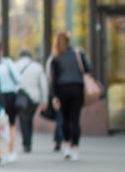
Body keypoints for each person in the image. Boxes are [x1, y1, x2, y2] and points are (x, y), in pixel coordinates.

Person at [48, 31, 90, 162]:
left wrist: (54, 97)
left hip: (62, 90)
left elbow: (53, 80)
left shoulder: (55, 58)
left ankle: (66, 146)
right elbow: (88, 68)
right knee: (75, 119)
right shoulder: (78, 54)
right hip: (77, 88)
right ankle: (75, 148)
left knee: (65, 119)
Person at [0, 43, 22, 164]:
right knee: (11, 124)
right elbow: (18, 79)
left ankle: (0, 153)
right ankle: (10, 152)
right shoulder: (7, 63)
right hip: (9, 96)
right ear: (1, 52)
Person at [13, 48, 48, 153]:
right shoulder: (37, 67)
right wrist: (44, 100)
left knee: (23, 119)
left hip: (20, 97)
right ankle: (28, 142)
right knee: (29, 119)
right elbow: (43, 85)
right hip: (34, 98)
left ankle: (26, 142)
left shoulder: (14, 66)